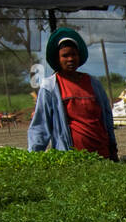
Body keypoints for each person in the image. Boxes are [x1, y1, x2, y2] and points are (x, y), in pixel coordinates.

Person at [28, 27, 119, 161]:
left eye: (74, 54)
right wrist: (34, 158)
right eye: (65, 55)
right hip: (71, 157)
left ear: (79, 56)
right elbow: (40, 125)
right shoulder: (50, 86)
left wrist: (113, 147)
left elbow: (106, 118)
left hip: (102, 154)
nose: (70, 59)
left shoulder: (94, 84)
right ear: (58, 59)